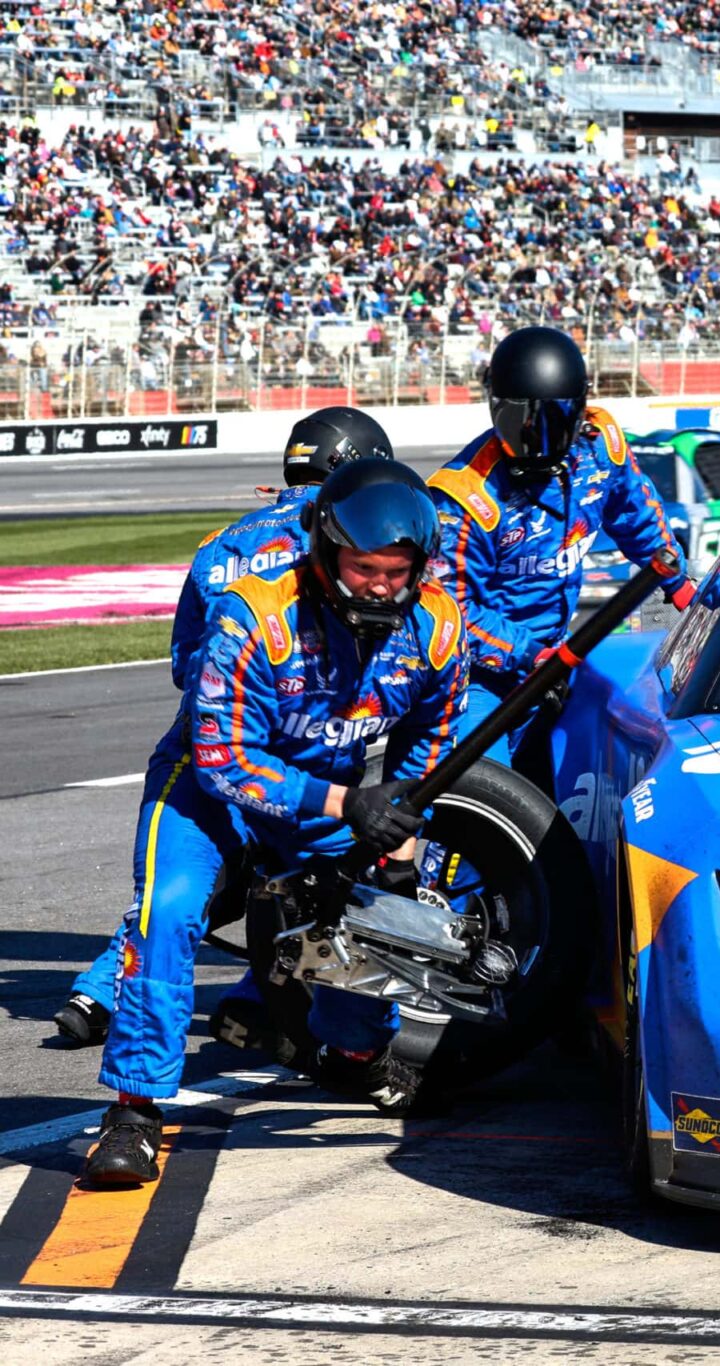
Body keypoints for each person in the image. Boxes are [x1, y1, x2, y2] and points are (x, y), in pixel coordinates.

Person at [85, 460, 466, 1186]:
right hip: (208, 790)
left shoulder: (439, 627)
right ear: (327, 553)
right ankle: (133, 1114)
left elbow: (431, 742)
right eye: (364, 568)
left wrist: (402, 840)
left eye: (397, 572)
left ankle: (354, 1054)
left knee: (372, 917)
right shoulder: (252, 614)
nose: (380, 586)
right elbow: (222, 760)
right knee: (166, 912)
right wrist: (349, 804)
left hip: (328, 792)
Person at [55, 407, 397, 1048]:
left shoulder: (220, 542)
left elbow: (184, 664)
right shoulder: (343, 539)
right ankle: (259, 998)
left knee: (183, 889)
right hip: (300, 746)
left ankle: (99, 991)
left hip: (211, 738)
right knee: (330, 877)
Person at [429, 326, 688, 769]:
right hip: (477, 680)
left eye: (553, 422)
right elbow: (450, 611)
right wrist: (530, 655)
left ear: (579, 411)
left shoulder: (601, 445)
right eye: (521, 423)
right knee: (481, 788)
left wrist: (679, 582)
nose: (536, 441)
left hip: (559, 660)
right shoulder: (464, 497)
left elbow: (637, 514)